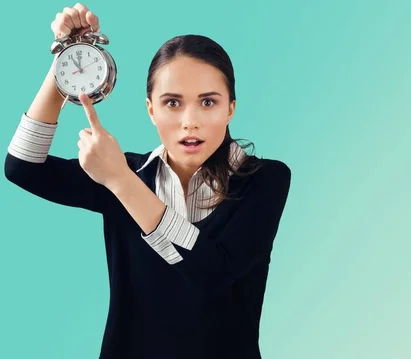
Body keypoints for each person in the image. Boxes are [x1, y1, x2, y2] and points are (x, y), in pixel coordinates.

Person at [4, 3, 292, 358]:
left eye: (208, 102)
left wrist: (121, 182)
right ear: (150, 109)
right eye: (172, 103)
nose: (190, 121)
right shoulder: (124, 171)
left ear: (230, 107)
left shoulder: (265, 179)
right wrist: (68, 61)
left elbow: (215, 272)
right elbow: (22, 166)